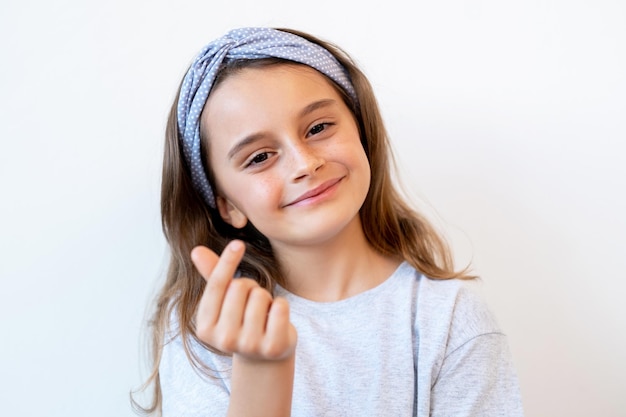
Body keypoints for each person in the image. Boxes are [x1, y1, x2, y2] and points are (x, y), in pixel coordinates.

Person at [132, 27, 524, 417]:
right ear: (228, 205)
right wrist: (261, 374)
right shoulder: (207, 331)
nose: (305, 164)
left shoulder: (451, 319)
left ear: (361, 130)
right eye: (260, 157)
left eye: (318, 128)